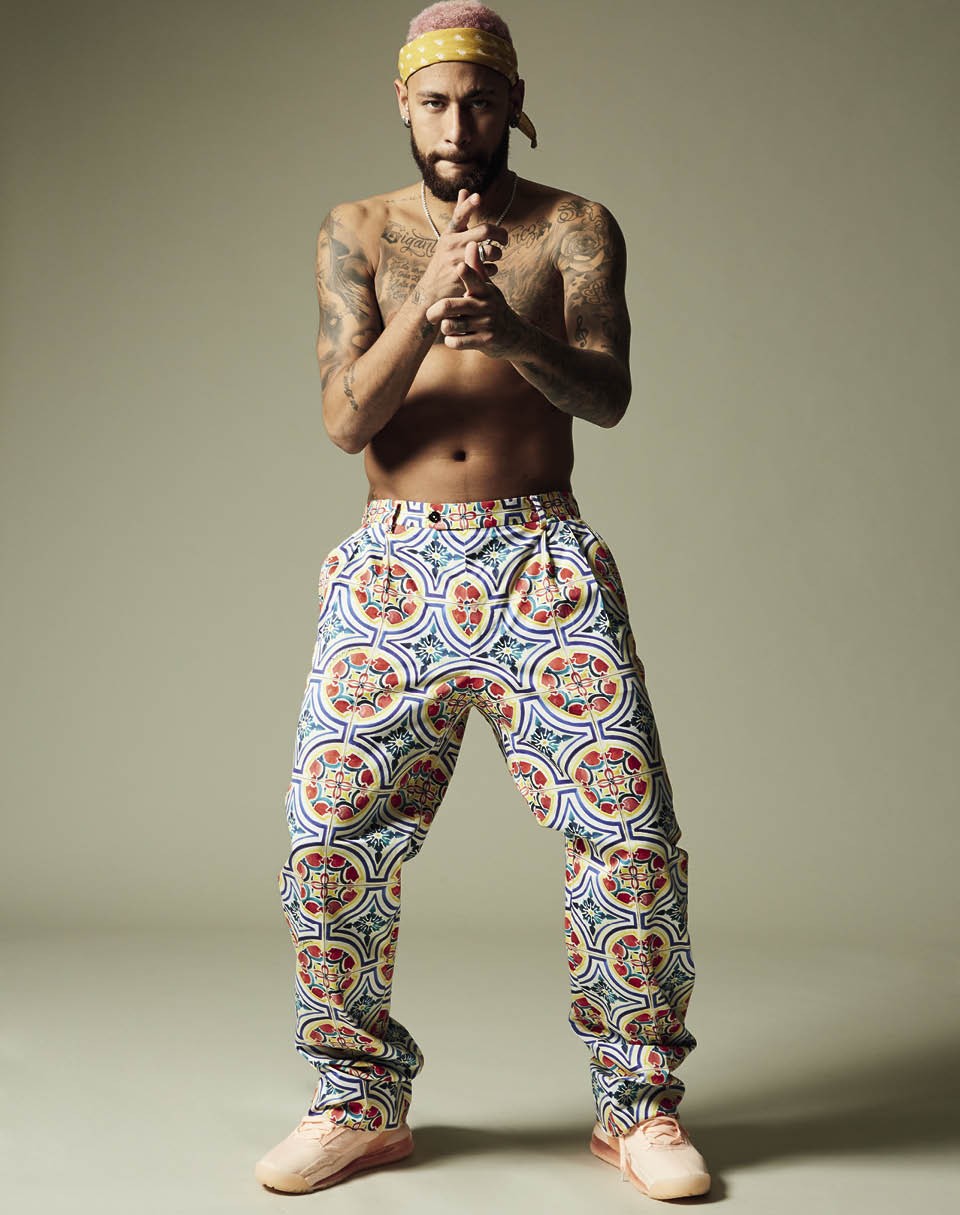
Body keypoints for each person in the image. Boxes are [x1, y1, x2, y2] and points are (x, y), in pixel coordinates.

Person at [255, 1, 711, 1201]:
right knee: (329, 835)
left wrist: (507, 327)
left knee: (628, 836)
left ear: (514, 104)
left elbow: (607, 396)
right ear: (402, 105)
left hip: (539, 557)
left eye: (481, 101)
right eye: (435, 103)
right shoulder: (357, 231)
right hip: (395, 566)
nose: (457, 125)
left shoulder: (575, 227)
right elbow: (346, 419)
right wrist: (425, 306)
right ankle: (356, 1100)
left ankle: (638, 1108)